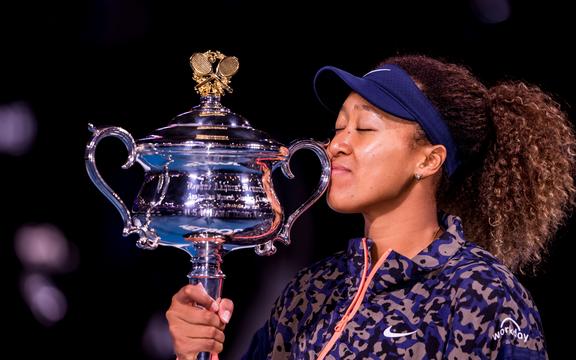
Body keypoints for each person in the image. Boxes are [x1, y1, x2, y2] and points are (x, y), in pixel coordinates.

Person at [165, 54, 576, 359]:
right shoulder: (310, 292)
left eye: (364, 128)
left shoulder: (482, 294)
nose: (337, 144)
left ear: (428, 159)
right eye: (339, 127)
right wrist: (194, 350)